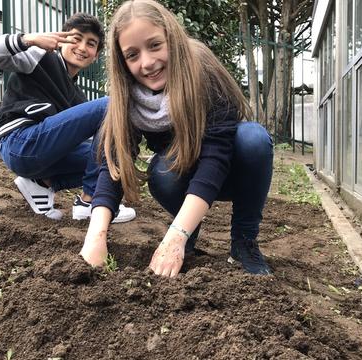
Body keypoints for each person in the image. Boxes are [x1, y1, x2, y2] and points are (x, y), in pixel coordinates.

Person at [79, 0, 273, 277]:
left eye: (155, 45)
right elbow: (113, 168)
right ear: (122, 62)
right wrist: (95, 238)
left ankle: (243, 241)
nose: (147, 63)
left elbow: (215, 158)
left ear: (172, 38)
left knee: (253, 139)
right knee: (162, 172)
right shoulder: (127, 98)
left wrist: (175, 235)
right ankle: (188, 231)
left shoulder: (202, 69)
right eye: (132, 55)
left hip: (231, 171)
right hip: (181, 175)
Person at [0, 13, 136, 223]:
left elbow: (94, 150)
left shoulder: (78, 97)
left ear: (96, 55)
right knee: (112, 105)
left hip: (40, 155)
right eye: (76, 38)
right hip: (19, 141)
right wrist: (28, 40)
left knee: (114, 155)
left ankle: (42, 183)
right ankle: (90, 203)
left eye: (91, 44)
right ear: (60, 40)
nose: (82, 47)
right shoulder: (38, 57)